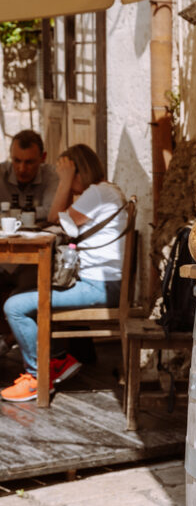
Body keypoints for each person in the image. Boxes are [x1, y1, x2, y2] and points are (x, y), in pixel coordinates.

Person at [1, 144, 128, 403]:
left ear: (78, 172)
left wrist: (65, 182)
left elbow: (54, 218)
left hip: (98, 287)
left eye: (67, 175)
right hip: (101, 284)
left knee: (14, 305)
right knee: (23, 292)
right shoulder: (106, 191)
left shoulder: (97, 192)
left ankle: (39, 377)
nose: (65, 182)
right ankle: (56, 359)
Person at [0, 129, 59, 217]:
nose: (22, 169)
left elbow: (52, 211)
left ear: (43, 158)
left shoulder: (52, 175)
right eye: (16, 161)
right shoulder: (1, 173)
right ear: (10, 156)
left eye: (29, 162)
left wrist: (10, 213)